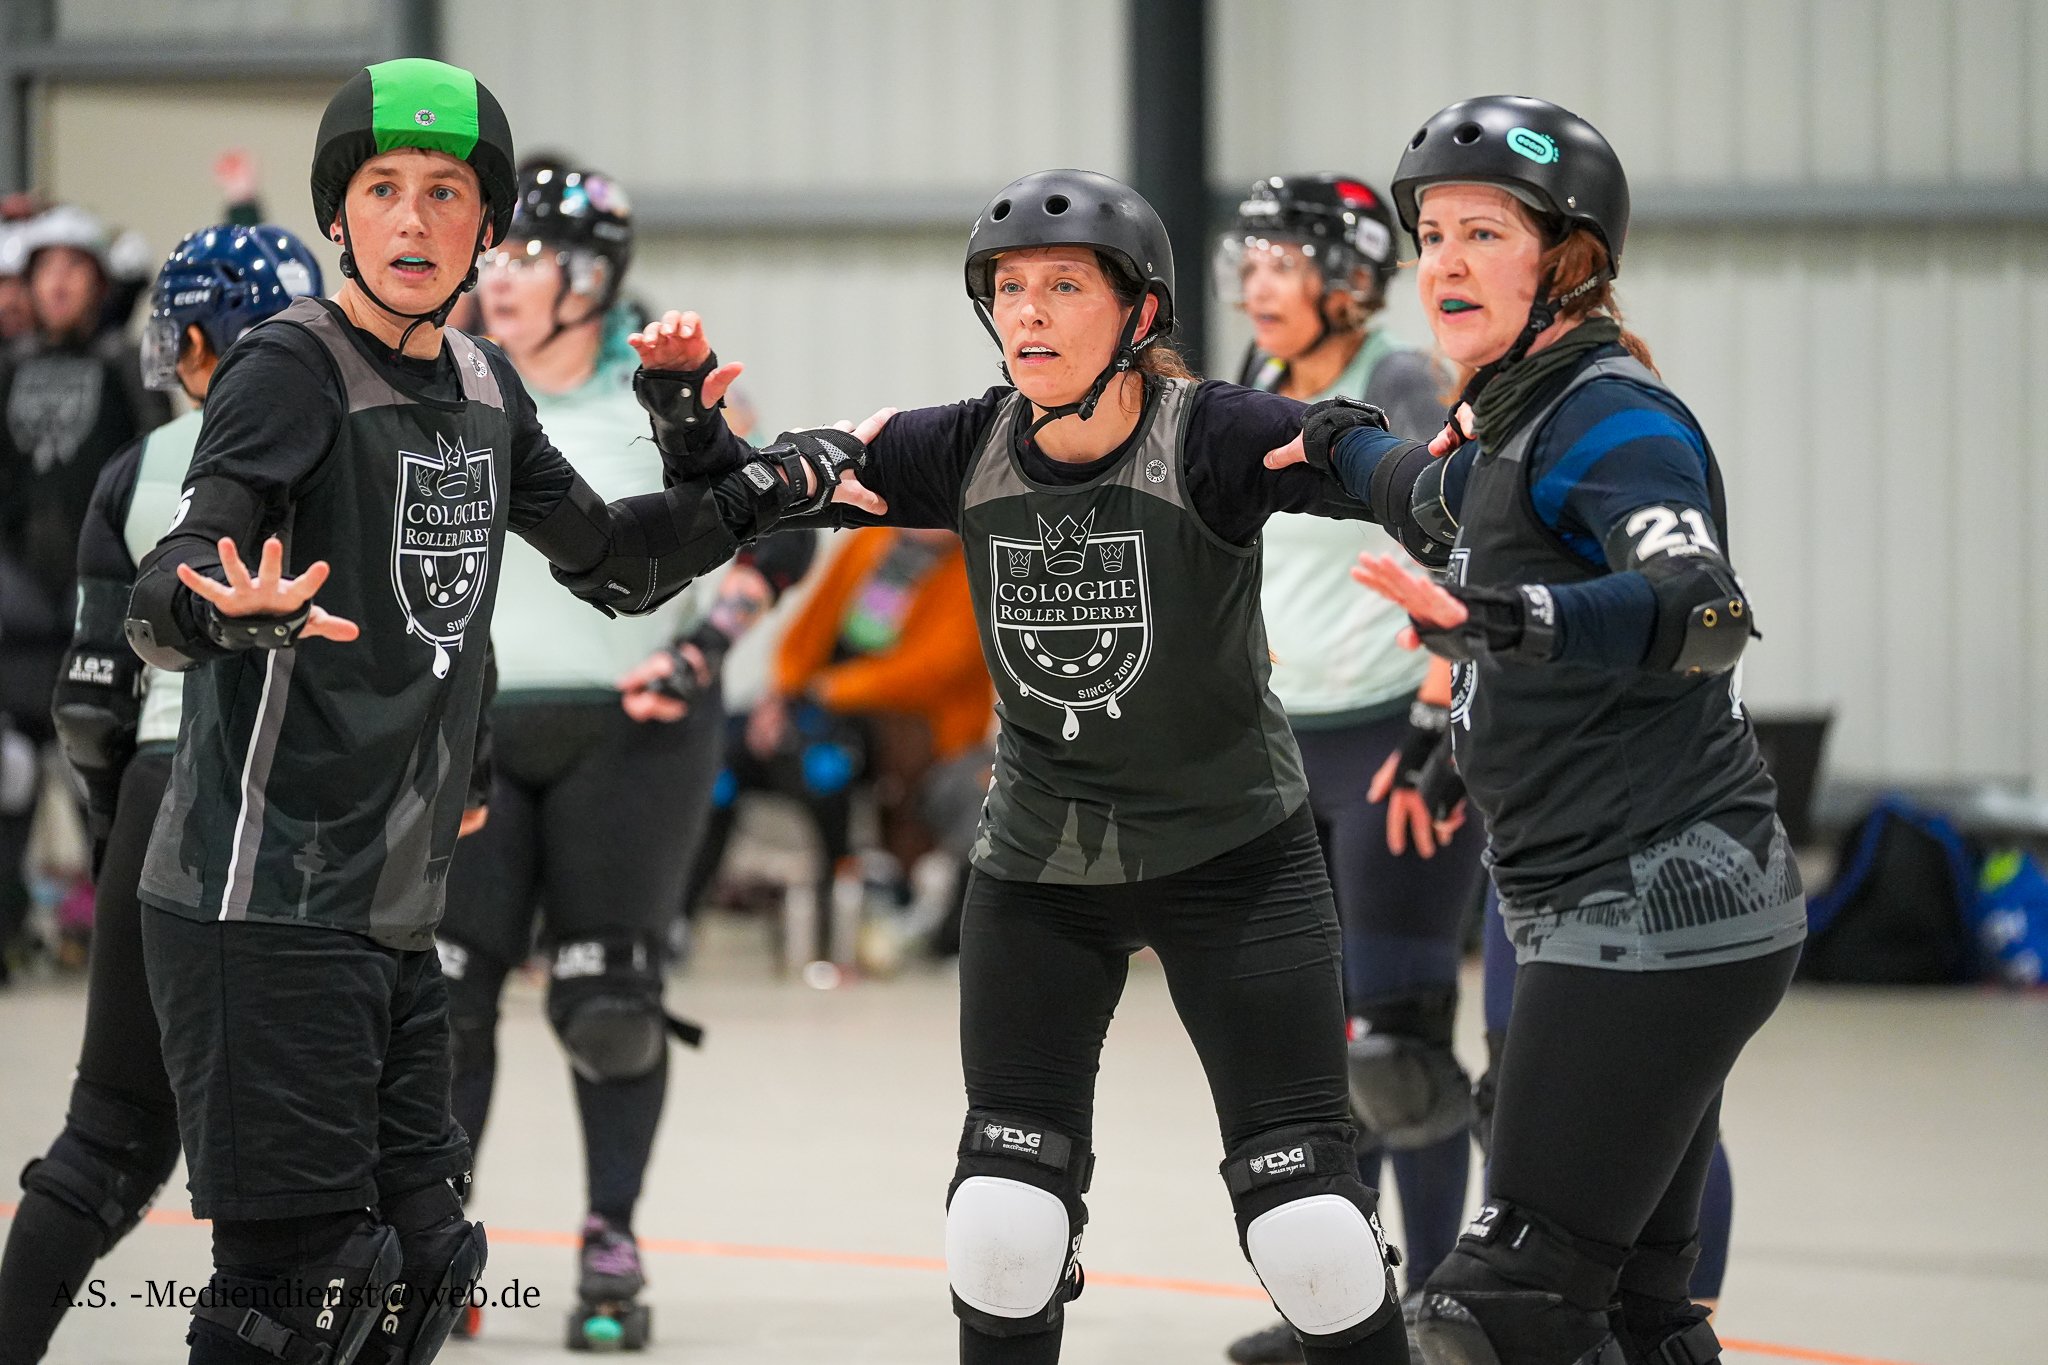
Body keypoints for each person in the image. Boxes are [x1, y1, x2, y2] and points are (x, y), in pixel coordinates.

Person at [120, 58, 868, 1365]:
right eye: (384, 190)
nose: (414, 222)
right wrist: (219, 606)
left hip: (392, 899)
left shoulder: (479, 380)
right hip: (266, 897)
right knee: (296, 1294)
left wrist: (770, 487)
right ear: (337, 217)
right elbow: (162, 580)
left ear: (484, 222)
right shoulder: (289, 369)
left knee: (425, 1263)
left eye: (448, 194)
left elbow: (618, 563)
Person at [631, 168, 1415, 1365]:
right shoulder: (963, 444)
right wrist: (689, 425)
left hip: (1235, 864)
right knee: (1000, 1226)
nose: (1028, 313)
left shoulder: (1205, 433)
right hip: (1039, 870)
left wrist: (1432, 488)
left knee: (1311, 1236)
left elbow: (1349, 457)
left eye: (1061, 286)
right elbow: (773, 483)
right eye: (1006, 290)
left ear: (1138, 315)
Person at [1267, 95, 1805, 1365]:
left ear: (1562, 259)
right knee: (1631, 1312)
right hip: (1617, 898)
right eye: (1431, 235)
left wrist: (1500, 618)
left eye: (1482, 233)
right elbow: (1409, 488)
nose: (1442, 263)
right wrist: (1310, 441)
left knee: (1494, 1312)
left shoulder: (1615, 420)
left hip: (1656, 900)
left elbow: (1704, 609)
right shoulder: (1514, 420)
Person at [432, 158, 815, 1349]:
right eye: (492, 260)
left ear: (590, 279)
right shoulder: (448, 381)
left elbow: (776, 540)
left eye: (525, 260)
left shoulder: (664, 393)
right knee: (442, 999)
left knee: (606, 1002)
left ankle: (609, 1242)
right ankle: (436, 1243)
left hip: (633, 730)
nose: (497, 281)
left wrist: (704, 654)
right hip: (475, 731)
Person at [0, 221, 335, 1364]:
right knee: (344, 1174)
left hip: (164, 789)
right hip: (314, 802)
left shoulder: (141, 468)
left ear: (195, 341)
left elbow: (91, 704)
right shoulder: (363, 447)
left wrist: (112, 839)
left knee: (110, 1139)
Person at [1214, 174, 1489, 1365]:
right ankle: (1345, 1307)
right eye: (1251, 262)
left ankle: (1437, 1308)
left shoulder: (1394, 379)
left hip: (1390, 736)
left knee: (1399, 1061)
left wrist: (1436, 721)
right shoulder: (1257, 383)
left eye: (1280, 262)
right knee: (1312, 1062)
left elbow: (1467, 540)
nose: (1254, 284)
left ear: (1347, 276)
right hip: (1281, 749)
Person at [688, 523, 992, 963]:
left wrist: (827, 692)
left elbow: (931, 670)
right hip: (823, 706)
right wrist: (783, 695)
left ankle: (834, 920)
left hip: (907, 728)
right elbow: (811, 625)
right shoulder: (871, 541)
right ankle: (680, 914)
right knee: (720, 759)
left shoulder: (977, 564)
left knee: (822, 769)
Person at [0, 202, 174, 968]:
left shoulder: (122, 365)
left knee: (96, 768)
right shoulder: (7, 368)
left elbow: (161, 473)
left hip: (97, 606)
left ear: (98, 282)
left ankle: (123, 944)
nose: (60, 284)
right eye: (47, 271)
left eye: (76, 269)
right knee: (6, 780)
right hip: (13, 613)